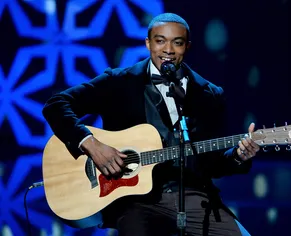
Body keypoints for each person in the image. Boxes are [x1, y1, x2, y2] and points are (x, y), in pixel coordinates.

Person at [42, 13, 260, 236]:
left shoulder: (209, 95)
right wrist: (92, 145)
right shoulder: (119, 82)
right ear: (148, 43)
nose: (168, 49)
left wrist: (238, 156)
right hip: (135, 200)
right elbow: (56, 105)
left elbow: (211, 164)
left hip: (193, 196)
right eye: (160, 41)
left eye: (177, 42)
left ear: (187, 46)